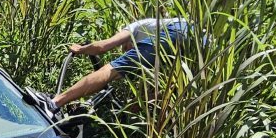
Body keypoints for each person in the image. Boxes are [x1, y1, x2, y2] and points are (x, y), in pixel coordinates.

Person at [52, 17, 189, 109]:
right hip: (201, 41)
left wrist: (81, 49)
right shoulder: (155, 35)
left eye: (125, 48)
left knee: (110, 71)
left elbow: (104, 46)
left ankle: (55, 102)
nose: (126, 51)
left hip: (177, 30)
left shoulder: (134, 27)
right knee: (172, 90)